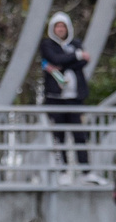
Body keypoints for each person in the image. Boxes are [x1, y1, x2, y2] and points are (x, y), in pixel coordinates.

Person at [37, 13, 91, 170]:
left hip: (75, 98)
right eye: (57, 26)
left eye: (63, 26)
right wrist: (76, 55)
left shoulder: (76, 43)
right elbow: (55, 58)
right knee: (58, 135)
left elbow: (82, 62)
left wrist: (64, 63)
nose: (60, 29)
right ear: (53, 29)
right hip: (55, 98)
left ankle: (85, 171)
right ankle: (62, 171)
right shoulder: (47, 44)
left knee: (79, 135)